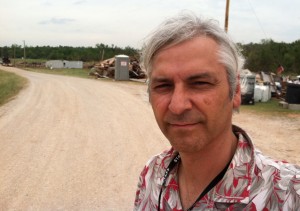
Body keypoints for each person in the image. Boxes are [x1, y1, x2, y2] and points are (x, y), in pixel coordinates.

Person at [134, 12, 300, 210]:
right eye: (163, 86)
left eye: (200, 83)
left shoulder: (288, 194)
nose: (177, 106)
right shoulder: (152, 174)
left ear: (236, 91)